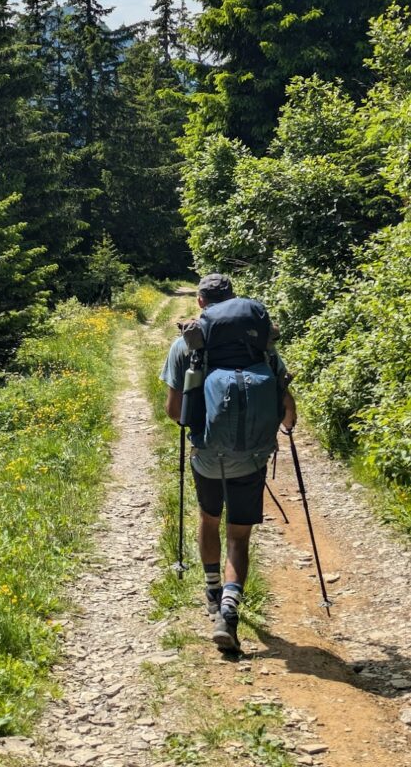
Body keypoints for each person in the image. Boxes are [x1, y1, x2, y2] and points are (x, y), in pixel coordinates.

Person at [160, 272, 297, 653]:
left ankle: (211, 592)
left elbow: (176, 412)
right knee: (239, 536)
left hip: (207, 455)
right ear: (235, 302)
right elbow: (287, 414)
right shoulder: (262, 346)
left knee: (209, 519)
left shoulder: (187, 344)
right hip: (252, 457)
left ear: (201, 303)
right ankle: (229, 613)